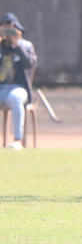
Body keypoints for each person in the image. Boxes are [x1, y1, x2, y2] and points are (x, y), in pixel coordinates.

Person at [0, 13, 37, 150]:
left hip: (17, 88)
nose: (8, 34)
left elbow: (29, 64)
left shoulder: (26, 45)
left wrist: (17, 45)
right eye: (5, 30)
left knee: (16, 98)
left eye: (11, 30)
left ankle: (18, 140)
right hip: (1, 87)